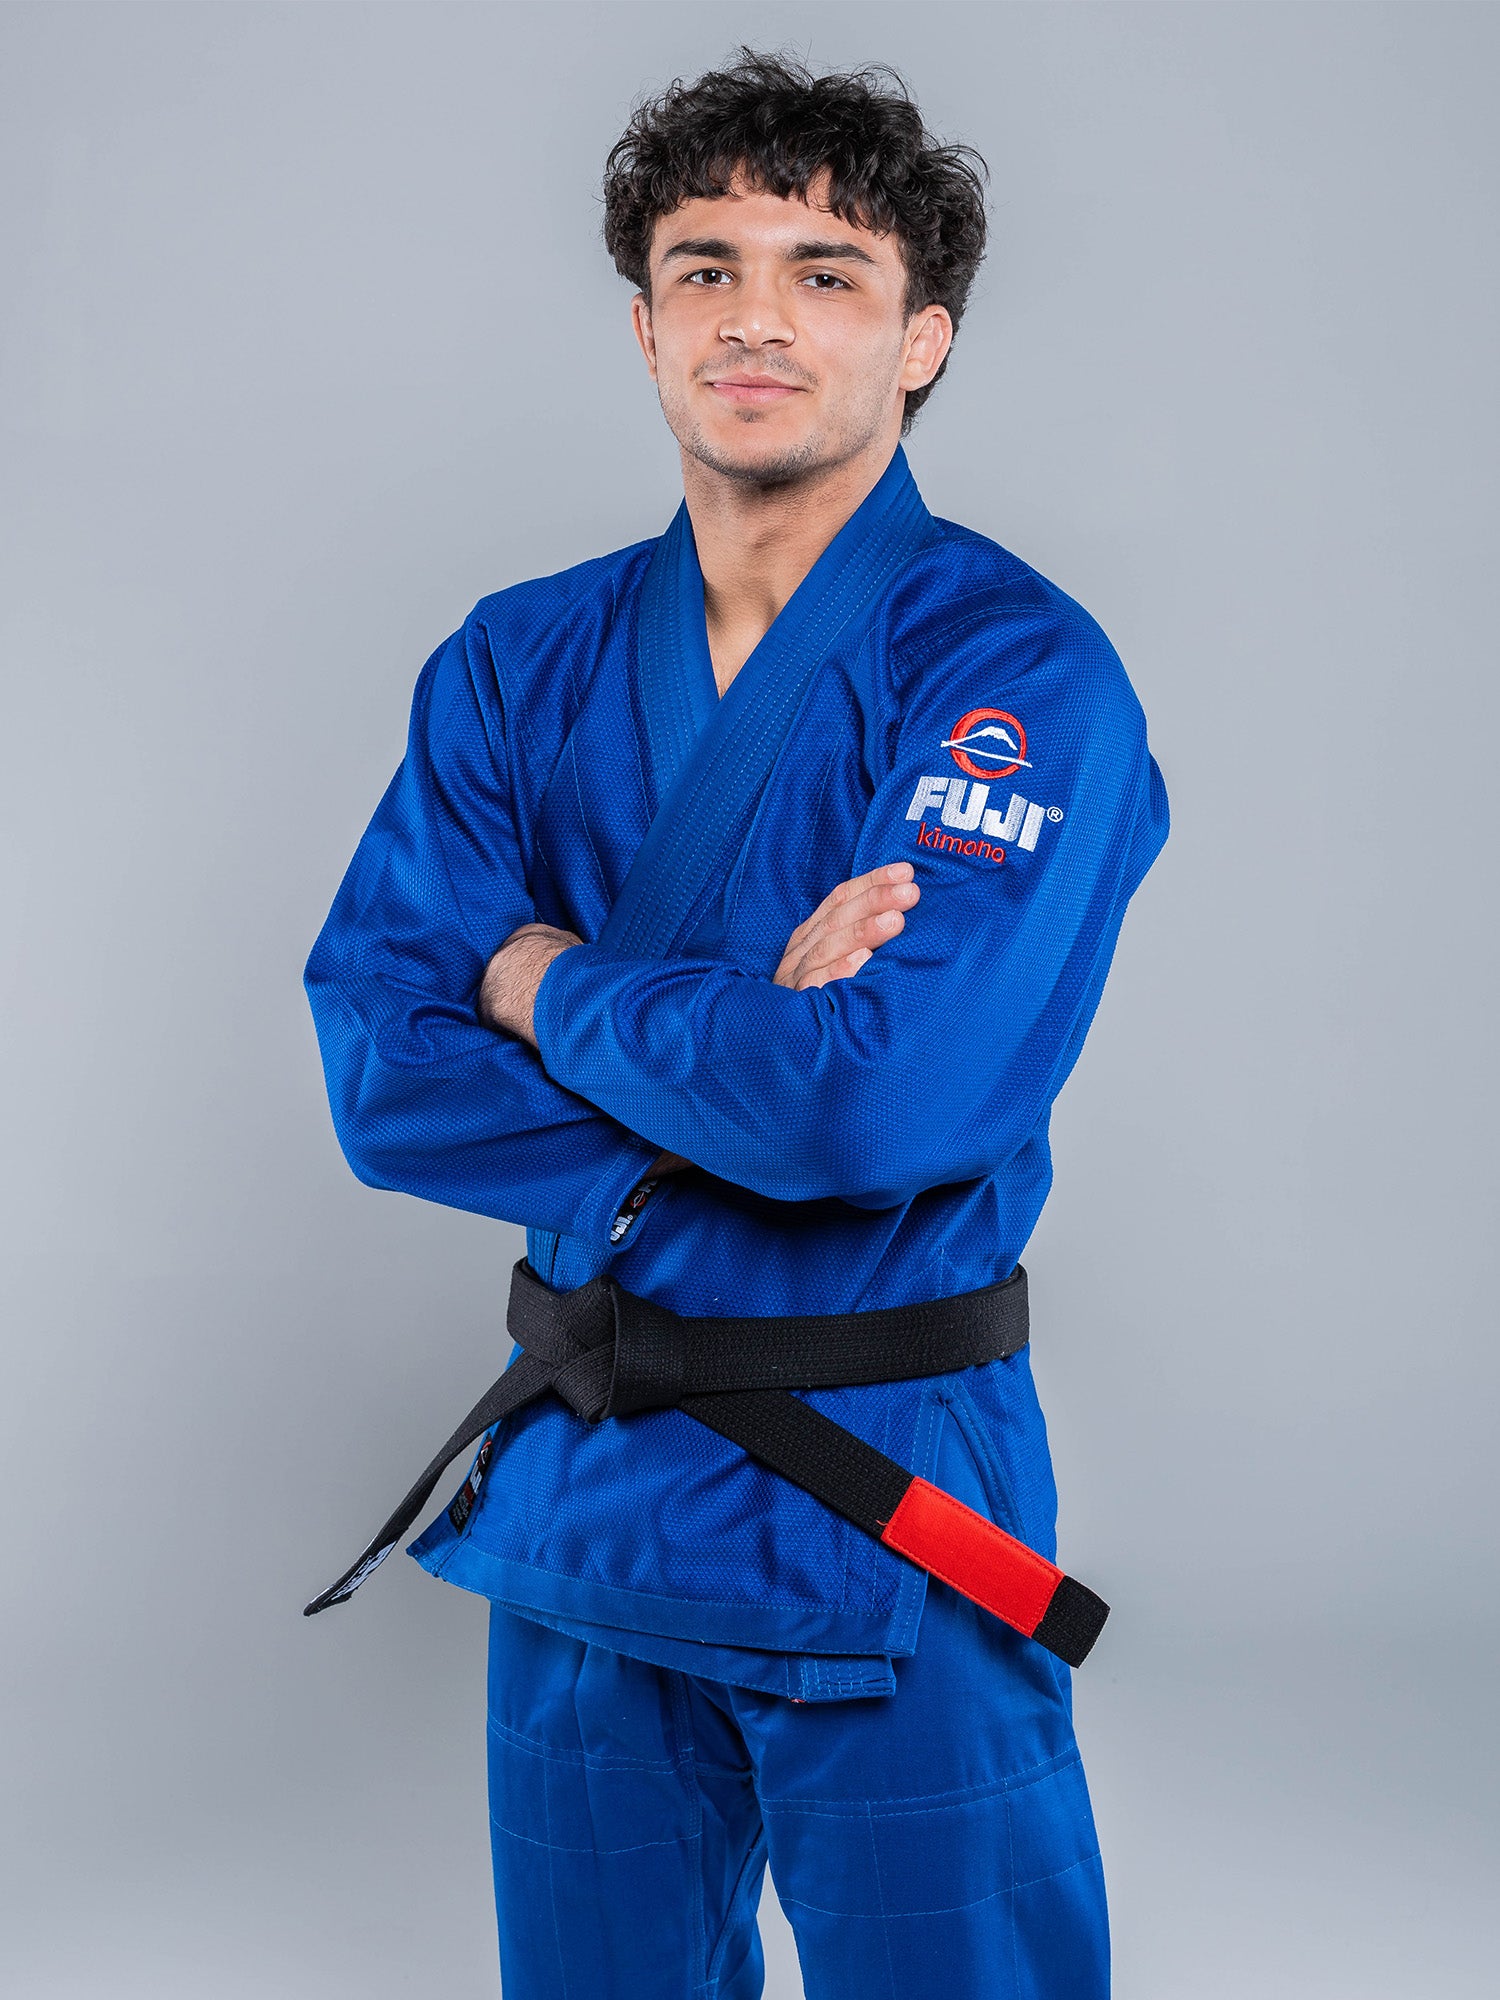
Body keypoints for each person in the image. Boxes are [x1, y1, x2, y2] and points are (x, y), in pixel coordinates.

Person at [304, 50, 1167, 2000]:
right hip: (590, 1494)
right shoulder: (517, 661)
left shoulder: (1013, 670)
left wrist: (539, 979)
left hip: (879, 1486)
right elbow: (379, 1069)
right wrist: (740, 1050)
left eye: (826, 272)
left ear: (919, 339)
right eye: (704, 269)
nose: (755, 314)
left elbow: (875, 1113)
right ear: (643, 327)